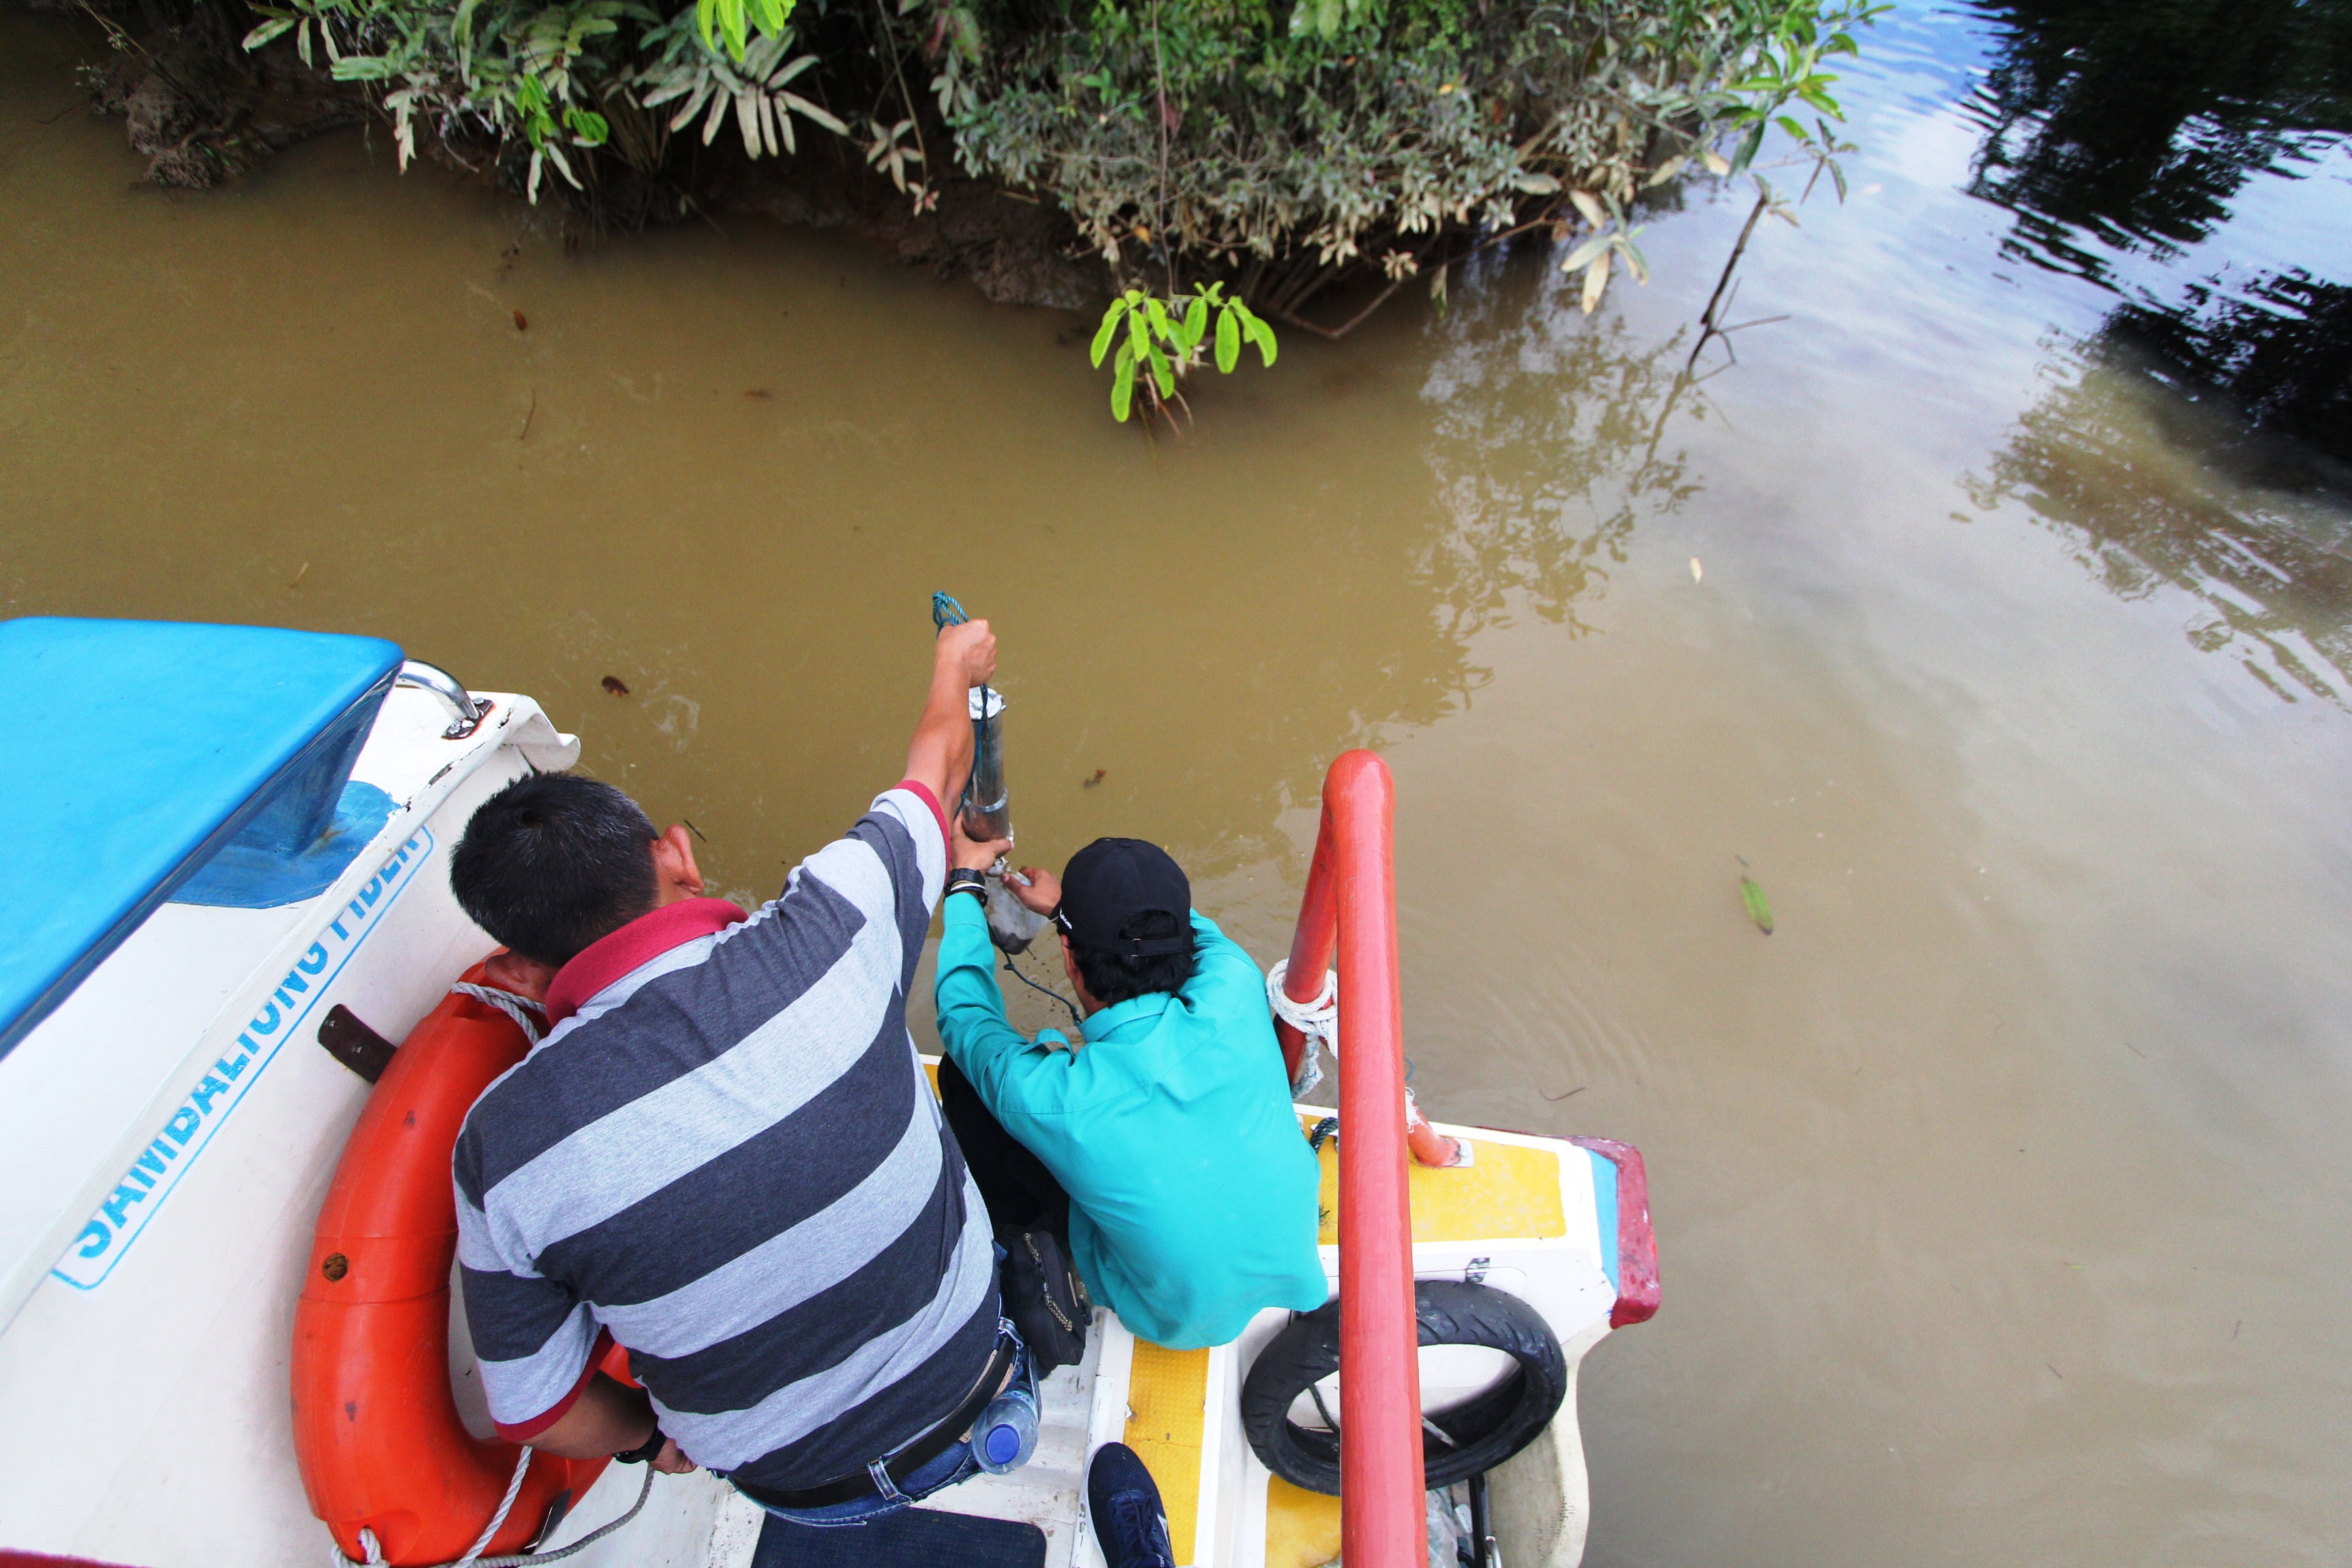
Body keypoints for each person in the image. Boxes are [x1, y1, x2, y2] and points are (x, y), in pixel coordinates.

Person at [446, 617, 1031, 1527]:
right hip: (977, 1379)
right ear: (674, 852)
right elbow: (938, 769)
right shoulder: (834, 922)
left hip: (801, 1494)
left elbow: (537, 1411)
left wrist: (647, 1437)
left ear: (515, 973)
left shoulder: (499, 1149)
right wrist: (956, 666)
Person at [932, 830, 1328, 1350]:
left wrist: (964, 885)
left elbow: (965, 1016)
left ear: (1069, 958)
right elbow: (1187, 928)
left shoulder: (1054, 1100)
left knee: (965, 1081)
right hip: (1294, 1260)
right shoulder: (1234, 982)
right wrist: (1067, 914)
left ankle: (1020, 1236)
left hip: (1169, 1320)